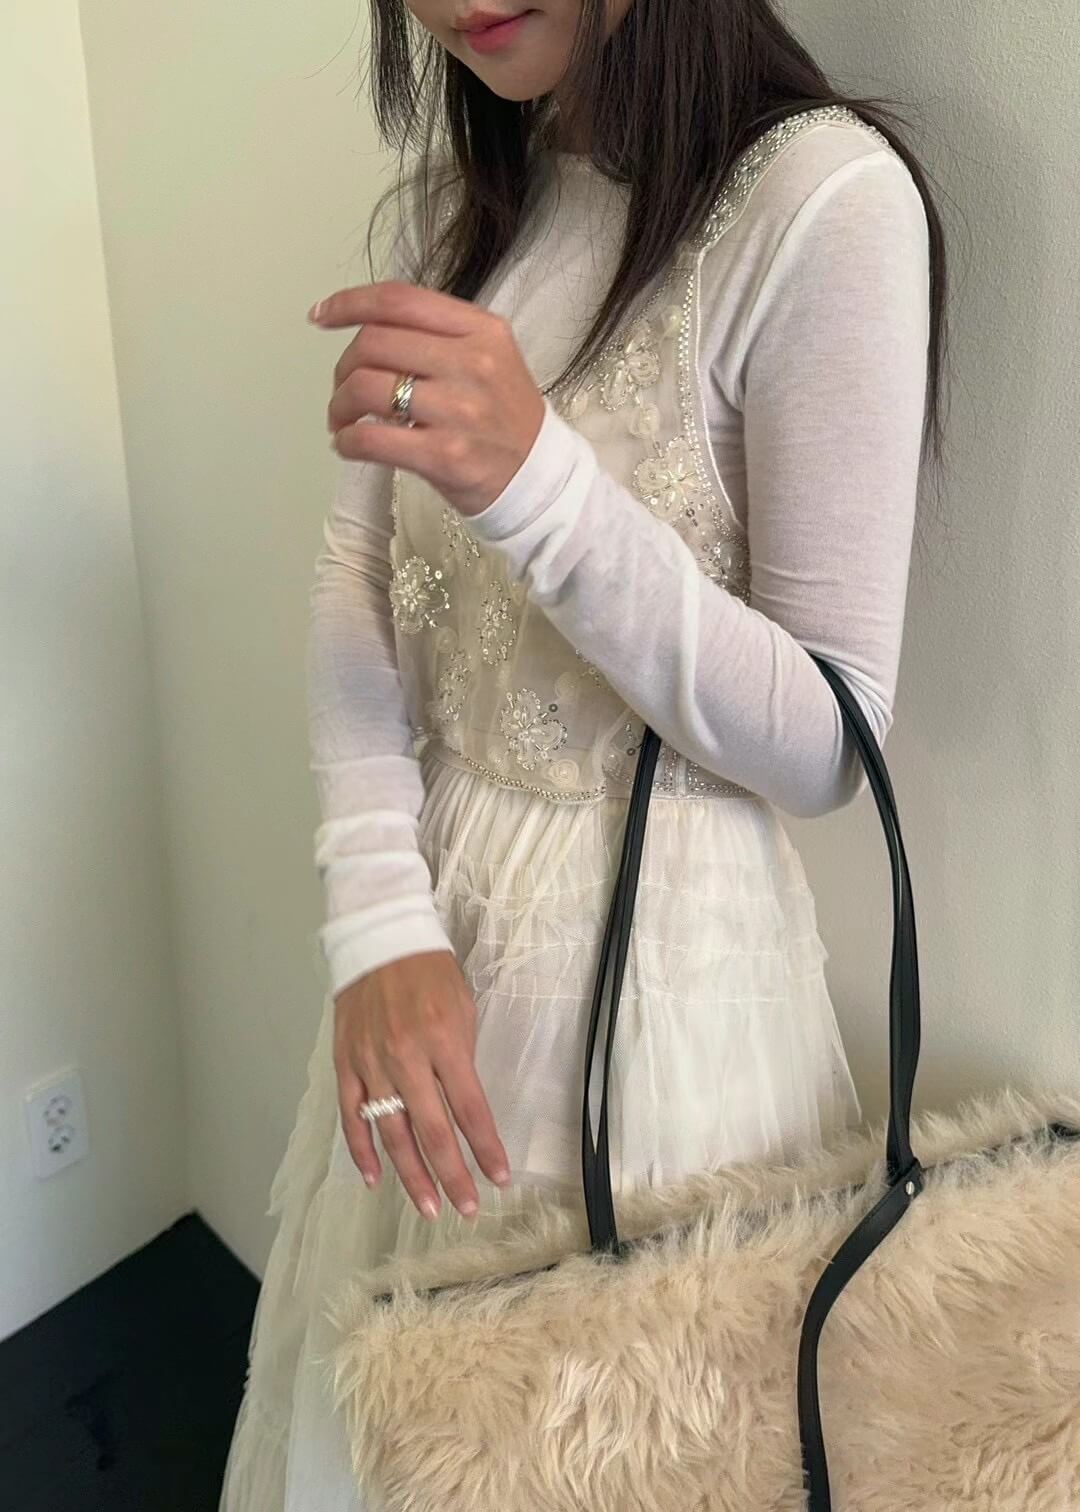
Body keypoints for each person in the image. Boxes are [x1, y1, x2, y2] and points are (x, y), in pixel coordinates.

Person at [220, 0, 949, 1506]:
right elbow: (360, 576)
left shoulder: (821, 201)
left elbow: (832, 739)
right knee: (393, 1426)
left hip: (659, 988)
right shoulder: (462, 205)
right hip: (427, 928)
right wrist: (376, 918)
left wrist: (538, 486)